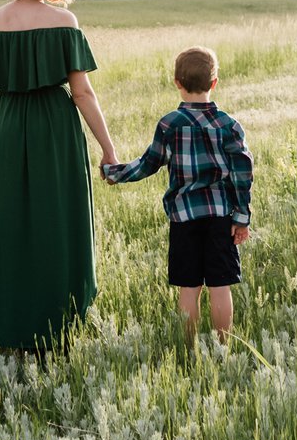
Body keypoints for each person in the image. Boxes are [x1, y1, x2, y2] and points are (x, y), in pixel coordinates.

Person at [0, 0, 118, 349]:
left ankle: (15, 321)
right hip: (56, 127)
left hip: (11, 127)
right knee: (61, 220)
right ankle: (63, 317)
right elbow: (83, 93)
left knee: (13, 223)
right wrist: (108, 148)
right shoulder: (65, 22)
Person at [102, 46, 253, 341]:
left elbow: (148, 164)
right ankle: (223, 345)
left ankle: (190, 344)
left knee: (189, 286)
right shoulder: (229, 125)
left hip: (184, 217)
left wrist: (114, 172)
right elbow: (242, 174)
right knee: (221, 285)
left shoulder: (170, 124)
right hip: (221, 215)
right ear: (214, 82)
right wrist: (242, 216)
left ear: (177, 83)